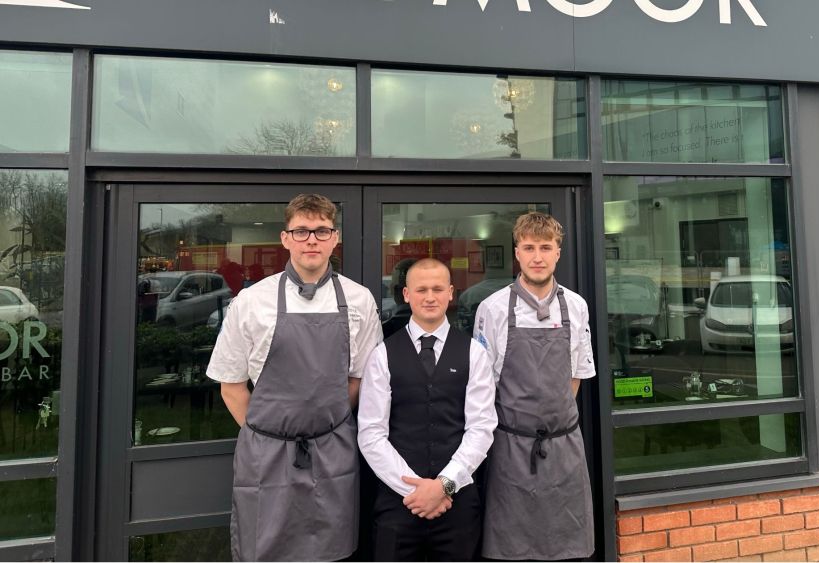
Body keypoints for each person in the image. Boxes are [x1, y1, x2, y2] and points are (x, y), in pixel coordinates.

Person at [206, 194, 382, 562]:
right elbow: (231, 386)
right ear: (285, 238)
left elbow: (359, 378)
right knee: (264, 549)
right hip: (266, 455)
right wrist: (269, 433)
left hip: (332, 451)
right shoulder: (251, 302)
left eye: (321, 231)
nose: (311, 240)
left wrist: (320, 423)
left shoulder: (360, 300)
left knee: (332, 549)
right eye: (301, 231)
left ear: (335, 238)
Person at [474, 212, 596, 561]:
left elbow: (575, 374)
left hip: (563, 446)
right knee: (512, 548)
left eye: (546, 247)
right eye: (529, 248)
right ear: (517, 253)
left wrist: (552, 423)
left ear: (559, 252)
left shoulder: (576, 306)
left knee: (568, 547)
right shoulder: (492, 309)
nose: (537, 257)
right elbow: (484, 385)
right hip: (510, 447)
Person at [358, 258, 497, 561]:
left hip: (459, 504)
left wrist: (445, 485)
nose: (430, 297)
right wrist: (415, 491)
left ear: (450, 293)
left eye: (437, 289)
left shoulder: (474, 352)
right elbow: (371, 433)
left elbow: (482, 427)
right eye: (421, 289)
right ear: (406, 294)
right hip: (398, 505)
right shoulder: (382, 355)